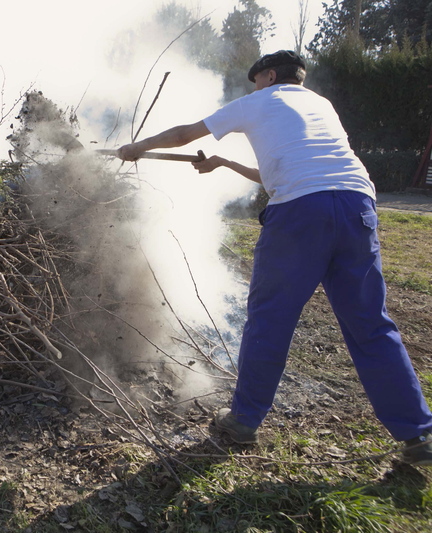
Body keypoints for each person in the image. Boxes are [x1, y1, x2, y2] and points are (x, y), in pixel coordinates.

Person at [118, 50, 432, 466]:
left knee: (271, 318)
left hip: (301, 215)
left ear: (267, 76)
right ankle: (418, 434)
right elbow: (284, 171)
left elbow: (185, 134)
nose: (254, 88)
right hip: (357, 207)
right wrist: (226, 162)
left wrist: (137, 147)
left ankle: (243, 421)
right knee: (371, 324)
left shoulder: (260, 101)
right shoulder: (321, 106)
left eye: (256, 81)